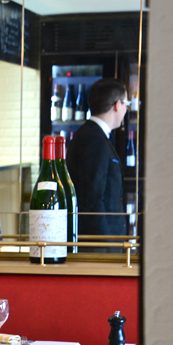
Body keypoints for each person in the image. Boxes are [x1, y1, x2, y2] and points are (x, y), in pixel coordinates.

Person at [66, 78, 128, 251]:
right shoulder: (93, 139)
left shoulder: (93, 135)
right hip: (100, 248)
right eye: (126, 103)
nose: (126, 109)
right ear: (117, 105)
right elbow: (93, 200)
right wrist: (108, 246)